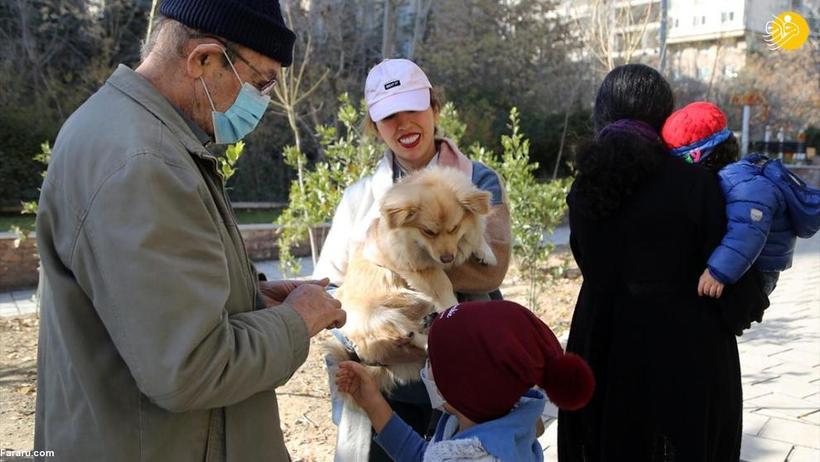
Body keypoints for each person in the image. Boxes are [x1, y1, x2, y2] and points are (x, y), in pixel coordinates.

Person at [33, 1, 346, 460]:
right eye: (260, 84)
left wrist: (251, 300)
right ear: (202, 59)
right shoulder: (146, 164)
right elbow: (191, 368)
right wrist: (300, 320)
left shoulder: (119, 127)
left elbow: (142, 309)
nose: (262, 102)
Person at [557, 64, 762, 461]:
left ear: (602, 115)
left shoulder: (584, 186)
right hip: (689, 350)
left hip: (601, 341)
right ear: (665, 117)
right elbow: (735, 282)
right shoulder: (696, 183)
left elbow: (585, 260)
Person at [314, 59, 512, 461]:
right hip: (387, 388)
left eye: (413, 108)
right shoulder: (360, 198)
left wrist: (389, 254)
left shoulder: (478, 180)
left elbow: (491, 269)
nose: (404, 124)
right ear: (374, 126)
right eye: (389, 116)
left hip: (466, 382)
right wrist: (362, 332)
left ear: (434, 109)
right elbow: (330, 284)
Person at [335, 300, 594, 462]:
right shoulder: (501, 417)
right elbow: (422, 456)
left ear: (463, 387)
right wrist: (373, 402)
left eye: (432, 361)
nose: (425, 368)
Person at [661, 101, 820, 297]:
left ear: (700, 158)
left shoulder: (743, 183)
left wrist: (718, 272)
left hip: (758, 270)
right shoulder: (734, 177)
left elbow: (747, 232)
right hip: (750, 264)